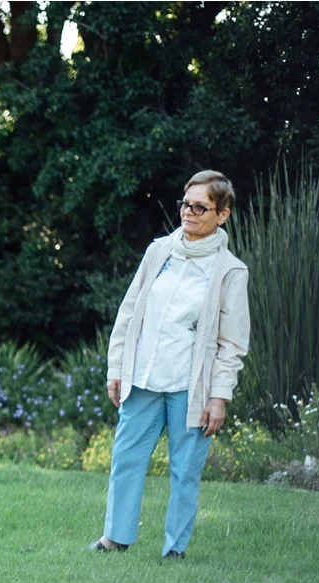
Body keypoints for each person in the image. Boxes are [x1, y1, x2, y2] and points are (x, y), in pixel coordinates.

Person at [89, 170, 250, 559]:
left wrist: (219, 396)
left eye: (200, 207)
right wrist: (116, 369)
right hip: (143, 378)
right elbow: (129, 313)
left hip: (189, 388)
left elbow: (232, 343)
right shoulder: (158, 251)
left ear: (222, 214)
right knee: (126, 460)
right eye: (185, 204)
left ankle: (174, 549)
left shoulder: (230, 271)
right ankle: (115, 537)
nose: (189, 212)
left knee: (184, 471)